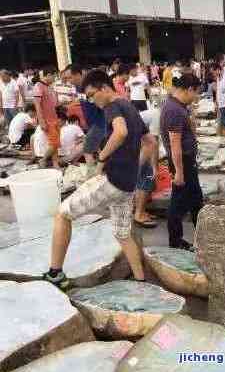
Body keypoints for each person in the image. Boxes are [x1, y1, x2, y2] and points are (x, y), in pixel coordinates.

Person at [43, 69, 156, 289]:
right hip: (128, 184)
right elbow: (150, 142)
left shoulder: (112, 106)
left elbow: (120, 132)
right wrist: (135, 165)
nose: (92, 101)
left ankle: (55, 273)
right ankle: (140, 279)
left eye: (92, 95)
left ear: (105, 88)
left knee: (62, 214)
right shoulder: (130, 107)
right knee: (122, 233)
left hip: (113, 180)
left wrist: (102, 157)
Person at [160, 73, 203, 251]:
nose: (196, 97)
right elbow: (174, 144)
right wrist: (179, 172)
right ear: (189, 89)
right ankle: (176, 241)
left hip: (185, 161)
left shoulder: (177, 105)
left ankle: (202, 236)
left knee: (195, 201)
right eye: (196, 93)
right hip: (182, 162)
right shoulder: (174, 110)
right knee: (178, 203)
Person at [64, 64, 106, 169]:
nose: (69, 81)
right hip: (91, 124)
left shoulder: (91, 86)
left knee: (87, 149)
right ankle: (102, 171)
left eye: (70, 77)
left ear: (79, 74)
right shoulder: (78, 88)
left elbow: (103, 104)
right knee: (101, 150)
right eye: (67, 78)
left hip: (100, 123)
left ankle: (92, 175)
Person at [134, 107, 160, 227]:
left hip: (138, 144)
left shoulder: (155, 114)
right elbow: (153, 143)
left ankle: (141, 211)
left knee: (144, 178)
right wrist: (155, 167)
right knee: (146, 178)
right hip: (138, 146)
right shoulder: (157, 116)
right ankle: (139, 214)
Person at [33, 66, 60, 169]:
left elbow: (54, 104)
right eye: (54, 76)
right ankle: (43, 159)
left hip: (54, 117)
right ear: (48, 75)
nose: (55, 79)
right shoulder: (38, 86)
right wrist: (41, 121)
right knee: (55, 142)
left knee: (56, 143)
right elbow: (37, 105)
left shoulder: (49, 87)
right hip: (47, 119)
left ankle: (55, 164)